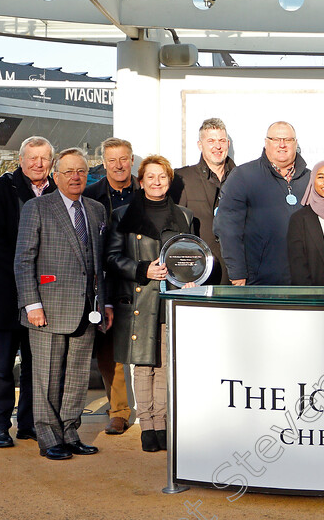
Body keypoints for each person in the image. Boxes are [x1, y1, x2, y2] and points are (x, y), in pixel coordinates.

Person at [14, 147, 110, 460]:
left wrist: (104, 304)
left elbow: (99, 265)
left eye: (81, 171)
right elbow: (23, 259)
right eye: (68, 171)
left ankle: (70, 433)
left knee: (77, 378)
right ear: (56, 176)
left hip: (86, 311)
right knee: (47, 378)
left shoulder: (95, 210)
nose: (75, 177)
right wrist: (32, 305)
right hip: (48, 310)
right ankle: (48, 437)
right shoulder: (37, 207)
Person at [106, 155, 194, 453]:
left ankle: (163, 424)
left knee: (165, 364)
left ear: (170, 181)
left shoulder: (184, 216)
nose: (157, 182)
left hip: (170, 299)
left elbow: (190, 255)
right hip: (139, 300)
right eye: (151, 177)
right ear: (140, 181)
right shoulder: (121, 215)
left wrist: (191, 277)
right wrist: (143, 269)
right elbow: (112, 258)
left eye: (163, 177)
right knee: (143, 365)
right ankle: (147, 426)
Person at [0, 136, 58, 448]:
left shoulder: (58, 192)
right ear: (21, 159)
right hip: (6, 295)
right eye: (32, 158)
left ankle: (28, 423)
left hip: (44, 297)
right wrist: (29, 266)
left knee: (35, 367)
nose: (38, 164)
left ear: (52, 162)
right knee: (1, 367)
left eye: (44, 158)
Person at [83, 137, 140, 436]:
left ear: (132, 160)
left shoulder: (147, 191)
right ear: (103, 163)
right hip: (106, 281)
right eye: (112, 160)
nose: (118, 165)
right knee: (109, 351)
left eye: (124, 159)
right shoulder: (91, 196)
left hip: (143, 278)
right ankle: (118, 410)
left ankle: (154, 409)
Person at [214, 121, 310, 286]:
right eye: (276, 139)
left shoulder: (311, 179)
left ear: (296, 143)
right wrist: (237, 272)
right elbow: (227, 227)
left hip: (304, 281)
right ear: (266, 143)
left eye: (288, 140)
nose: (282, 145)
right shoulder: (244, 176)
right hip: (259, 281)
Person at [170, 118, 236, 284]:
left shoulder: (242, 178)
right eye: (211, 141)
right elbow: (175, 230)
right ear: (200, 145)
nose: (217, 146)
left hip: (236, 275)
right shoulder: (182, 178)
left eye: (221, 141)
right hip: (197, 275)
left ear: (228, 143)